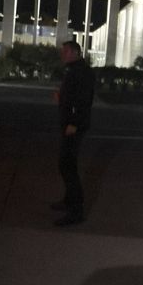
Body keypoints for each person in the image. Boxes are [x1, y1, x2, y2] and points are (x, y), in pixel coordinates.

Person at [51, 40, 95, 226]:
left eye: (66, 51)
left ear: (75, 52)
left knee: (67, 166)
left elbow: (84, 101)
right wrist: (62, 97)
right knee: (66, 164)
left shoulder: (82, 71)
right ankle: (69, 201)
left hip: (74, 126)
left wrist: (74, 123)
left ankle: (76, 211)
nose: (63, 54)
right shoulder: (73, 69)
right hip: (69, 123)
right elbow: (73, 95)